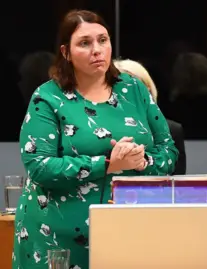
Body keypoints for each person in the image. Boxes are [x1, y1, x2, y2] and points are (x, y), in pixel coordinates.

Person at [13, 9, 178, 269]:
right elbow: (39, 165)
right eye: (85, 43)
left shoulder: (133, 89)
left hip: (127, 231)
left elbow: (168, 151)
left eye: (103, 40)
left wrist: (140, 161)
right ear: (66, 52)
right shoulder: (47, 97)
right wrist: (109, 164)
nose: (97, 50)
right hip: (57, 236)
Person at [114, 59, 186, 174]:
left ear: (147, 89)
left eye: (133, 87)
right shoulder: (98, 128)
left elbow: (178, 185)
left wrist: (144, 162)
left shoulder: (172, 130)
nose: (125, 92)